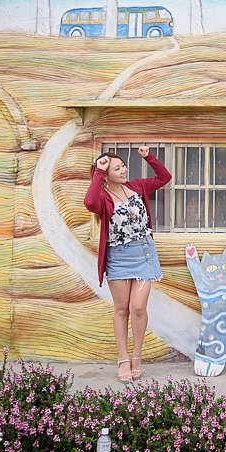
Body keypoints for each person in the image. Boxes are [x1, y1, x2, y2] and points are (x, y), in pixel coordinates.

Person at [84, 146, 171, 382]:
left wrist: (148, 157)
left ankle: (137, 355)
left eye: (123, 166)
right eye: (117, 168)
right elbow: (90, 203)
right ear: (106, 174)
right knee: (121, 309)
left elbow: (165, 177)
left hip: (143, 253)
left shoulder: (136, 187)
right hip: (119, 257)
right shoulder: (102, 197)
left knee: (139, 308)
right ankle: (123, 359)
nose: (123, 170)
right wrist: (98, 173)